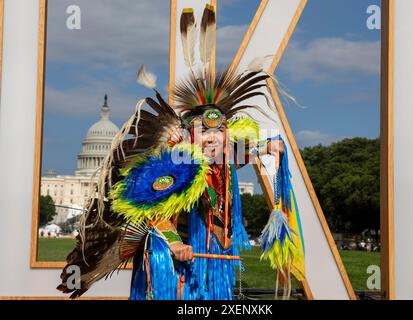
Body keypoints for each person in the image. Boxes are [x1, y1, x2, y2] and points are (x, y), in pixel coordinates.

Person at [57, 4, 305, 300]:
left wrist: (267, 147)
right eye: (205, 131)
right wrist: (175, 244)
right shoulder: (179, 162)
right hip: (174, 262)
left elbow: (235, 153)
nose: (213, 137)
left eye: (220, 130)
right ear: (189, 134)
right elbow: (152, 211)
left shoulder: (219, 160)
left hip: (209, 258)